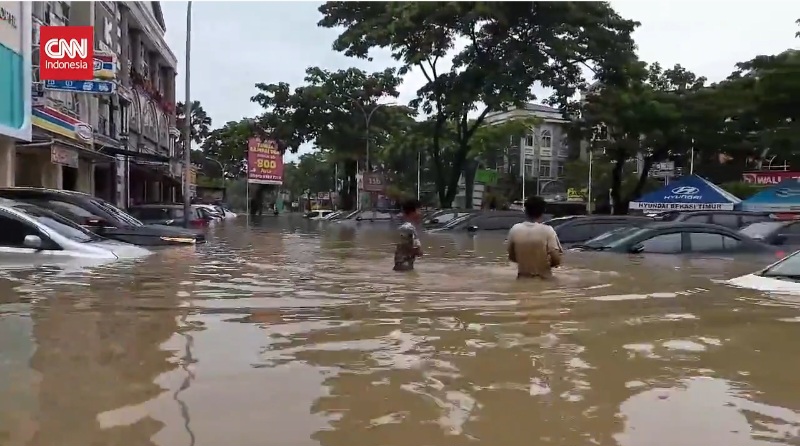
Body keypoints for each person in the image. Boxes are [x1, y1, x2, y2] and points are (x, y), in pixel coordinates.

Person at [508, 196, 563, 279]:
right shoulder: (548, 230)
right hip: (543, 279)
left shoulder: (515, 229)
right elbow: (556, 259)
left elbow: (512, 257)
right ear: (543, 211)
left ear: (525, 210)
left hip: (522, 279)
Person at [394, 198, 423, 271]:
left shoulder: (406, 227)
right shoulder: (409, 228)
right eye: (419, 210)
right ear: (412, 212)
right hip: (404, 268)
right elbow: (416, 251)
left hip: (402, 267)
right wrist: (419, 251)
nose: (421, 213)